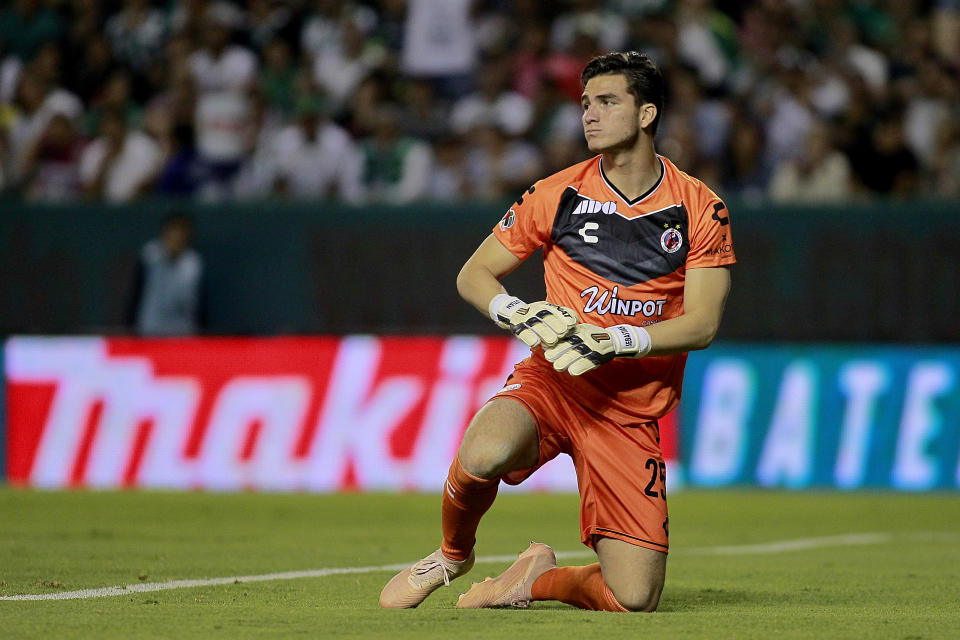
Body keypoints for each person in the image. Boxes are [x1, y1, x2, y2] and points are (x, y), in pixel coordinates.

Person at [380, 51, 736, 613]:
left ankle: (533, 579)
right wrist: (515, 313)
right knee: (486, 451)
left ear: (646, 114)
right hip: (554, 382)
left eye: (607, 102)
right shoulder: (557, 192)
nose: (589, 115)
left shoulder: (699, 208)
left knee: (635, 598)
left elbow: (703, 323)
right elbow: (473, 274)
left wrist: (619, 339)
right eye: (586, 103)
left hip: (628, 410)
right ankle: (452, 554)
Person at [126, 213, 206, 336]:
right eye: (173, 233)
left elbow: (199, 305)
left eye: (181, 234)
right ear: (164, 234)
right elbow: (135, 295)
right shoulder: (149, 257)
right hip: (149, 331)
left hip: (182, 334)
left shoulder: (193, 265)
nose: (176, 238)